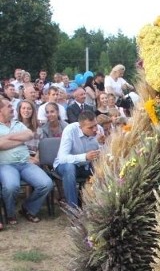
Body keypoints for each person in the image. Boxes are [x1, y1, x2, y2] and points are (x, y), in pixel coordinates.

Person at [0, 97, 53, 226]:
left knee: (46, 183)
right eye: (9, 107)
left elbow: (29, 134)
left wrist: (7, 137)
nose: (13, 108)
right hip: (6, 165)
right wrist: (18, 139)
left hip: (26, 163)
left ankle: (28, 208)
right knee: (11, 187)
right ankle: (10, 213)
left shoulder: (17, 123)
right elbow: (0, 145)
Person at [53, 110, 101, 208]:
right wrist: (85, 157)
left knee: (102, 167)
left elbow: (101, 153)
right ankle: (73, 209)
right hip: (64, 165)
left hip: (86, 165)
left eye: (95, 125)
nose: (95, 129)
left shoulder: (98, 129)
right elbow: (62, 158)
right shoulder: (70, 130)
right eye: (90, 127)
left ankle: (96, 205)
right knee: (70, 168)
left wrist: (102, 144)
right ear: (80, 127)